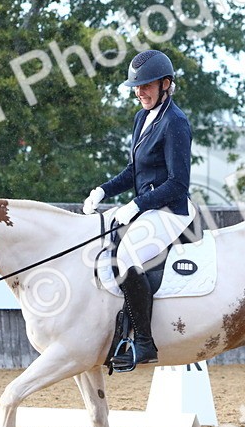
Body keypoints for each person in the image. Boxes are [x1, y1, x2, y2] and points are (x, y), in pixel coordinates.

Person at [82, 49, 195, 371]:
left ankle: (144, 342)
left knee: (126, 258)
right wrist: (104, 189)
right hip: (148, 207)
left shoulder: (175, 123)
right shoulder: (142, 118)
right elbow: (135, 171)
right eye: (136, 86)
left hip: (171, 210)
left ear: (166, 84)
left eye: (146, 85)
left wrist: (135, 204)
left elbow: (177, 184)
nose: (140, 92)